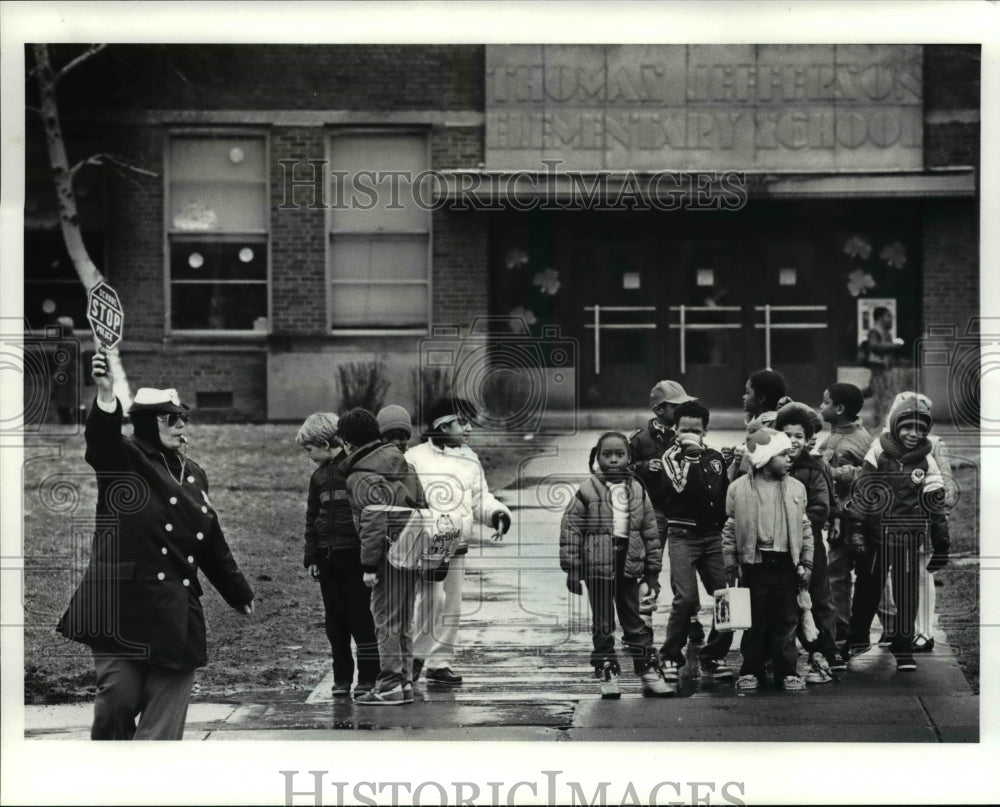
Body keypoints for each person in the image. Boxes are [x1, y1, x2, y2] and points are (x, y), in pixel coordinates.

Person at [57, 352, 254, 740]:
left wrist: (238, 591)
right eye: (171, 419)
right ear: (149, 423)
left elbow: (210, 540)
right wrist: (105, 394)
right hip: (120, 605)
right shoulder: (124, 458)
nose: (181, 426)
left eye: (183, 418)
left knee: (162, 727)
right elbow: (99, 441)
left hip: (174, 611)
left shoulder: (194, 474)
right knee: (116, 701)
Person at [841, 392, 951, 672]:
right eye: (907, 426)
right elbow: (863, 491)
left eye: (920, 428)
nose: (913, 434)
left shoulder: (927, 462)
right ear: (895, 425)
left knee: (906, 596)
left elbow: (935, 506)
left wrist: (942, 545)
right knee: (867, 591)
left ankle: (903, 648)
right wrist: (855, 529)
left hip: (908, 540)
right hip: (875, 539)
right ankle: (856, 641)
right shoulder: (878, 450)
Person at [406, 398, 511, 685]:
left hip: (458, 544)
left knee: (452, 604)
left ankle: (440, 663)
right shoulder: (414, 457)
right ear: (441, 425)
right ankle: (414, 658)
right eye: (462, 422)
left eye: (470, 422)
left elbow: (480, 498)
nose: (468, 428)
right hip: (428, 544)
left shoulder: (470, 458)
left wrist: (497, 514)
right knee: (431, 599)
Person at [560, 432, 671, 698]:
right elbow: (571, 530)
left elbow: (650, 532)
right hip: (596, 568)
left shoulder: (637, 490)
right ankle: (608, 672)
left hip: (628, 567)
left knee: (635, 621)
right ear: (597, 458)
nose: (612, 460)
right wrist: (573, 569)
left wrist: (652, 572)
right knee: (603, 623)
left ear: (629, 457)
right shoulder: (587, 491)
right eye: (606, 455)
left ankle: (647, 671)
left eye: (619, 454)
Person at [341, 407, 426, 705]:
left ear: (347, 442)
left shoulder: (360, 476)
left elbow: (373, 521)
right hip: (411, 552)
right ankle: (403, 681)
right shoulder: (405, 465)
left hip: (387, 557)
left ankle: (389, 683)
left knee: (385, 620)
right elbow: (422, 506)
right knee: (403, 620)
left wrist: (368, 565)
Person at [721, 428, 815, 692]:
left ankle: (787, 671)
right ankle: (751, 669)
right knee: (755, 619)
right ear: (764, 457)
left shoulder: (797, 488)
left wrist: (807, 562)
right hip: (754, 564)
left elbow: (805, 528)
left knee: (787, 619)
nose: (789, 458)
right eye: (782, 454)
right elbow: (729, 528)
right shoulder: (737, 489)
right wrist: (731, 564)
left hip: (787, 563)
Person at [296, 412, 379, 699]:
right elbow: (311, 518)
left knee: (361, 619)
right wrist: (312, 557)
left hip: (355, 557)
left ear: (322, 442)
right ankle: (342, 677)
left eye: (310, 450)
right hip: (327, 559)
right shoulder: (317, 478)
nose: (309, 456)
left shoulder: (353, 470)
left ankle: (369, 676)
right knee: (335, 622)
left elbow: (368, 514)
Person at [656, 400, 735, 683]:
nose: (690, 434)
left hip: (712, 536)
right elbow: (678, 487)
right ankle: (670, 657)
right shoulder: (670, 458)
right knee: (686, 598)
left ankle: (713, 655)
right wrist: (689, 457)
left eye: (696, 430)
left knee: (728, 599)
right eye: (685, 430)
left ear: (705, 431)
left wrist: (729, 464)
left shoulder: (713, 456)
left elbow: (723, 493)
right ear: (675, 430)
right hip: (682, 536)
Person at [628, 379, 705, 643]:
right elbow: (622, 473)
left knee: (686, 567)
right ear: (660, 410)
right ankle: (645, 618)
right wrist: (641, 467)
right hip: (655, 512)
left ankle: (693, 618)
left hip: (683, 511)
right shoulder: (640, 440)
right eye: (677, 407)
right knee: (650, 565)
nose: (682, 412)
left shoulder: (687, 434)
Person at [774, 402, 839, 683]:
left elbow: (820, 508)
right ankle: (778, 655)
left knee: (818, 598)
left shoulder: (814, 469)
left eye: (798, 436)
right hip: (775, 548)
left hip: (809, 546)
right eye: (787, 435)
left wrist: (792, 526)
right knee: (782, 601)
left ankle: (823, 654)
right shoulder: (769, 465)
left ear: (808, 438)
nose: (792, 441)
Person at [817, 383, 873, 653]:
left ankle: (846, 632)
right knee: (838, 574)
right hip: (837, 518)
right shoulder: (832, 436)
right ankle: (846, 630)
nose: (821, 406)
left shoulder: (861, 440)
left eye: (825, 402)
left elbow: (870, 473)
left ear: (839, 409)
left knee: (842, 574)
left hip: (856, 519)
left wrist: (837, 474)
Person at [726, 369, 790, 480]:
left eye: (747, 392)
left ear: (761, 398)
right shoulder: (758, 421)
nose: (743, 397)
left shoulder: (770, 426)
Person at [865, 306, 905, 428]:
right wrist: (895, 345)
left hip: (885, 368)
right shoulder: (875, 331)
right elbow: (874, 346)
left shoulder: (884, 331)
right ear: (880, 318)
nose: (891, 319)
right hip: (878, 368)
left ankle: (882, 422)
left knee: (881, 393)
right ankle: (879, 424)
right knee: (880, 394)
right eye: (888, 316)